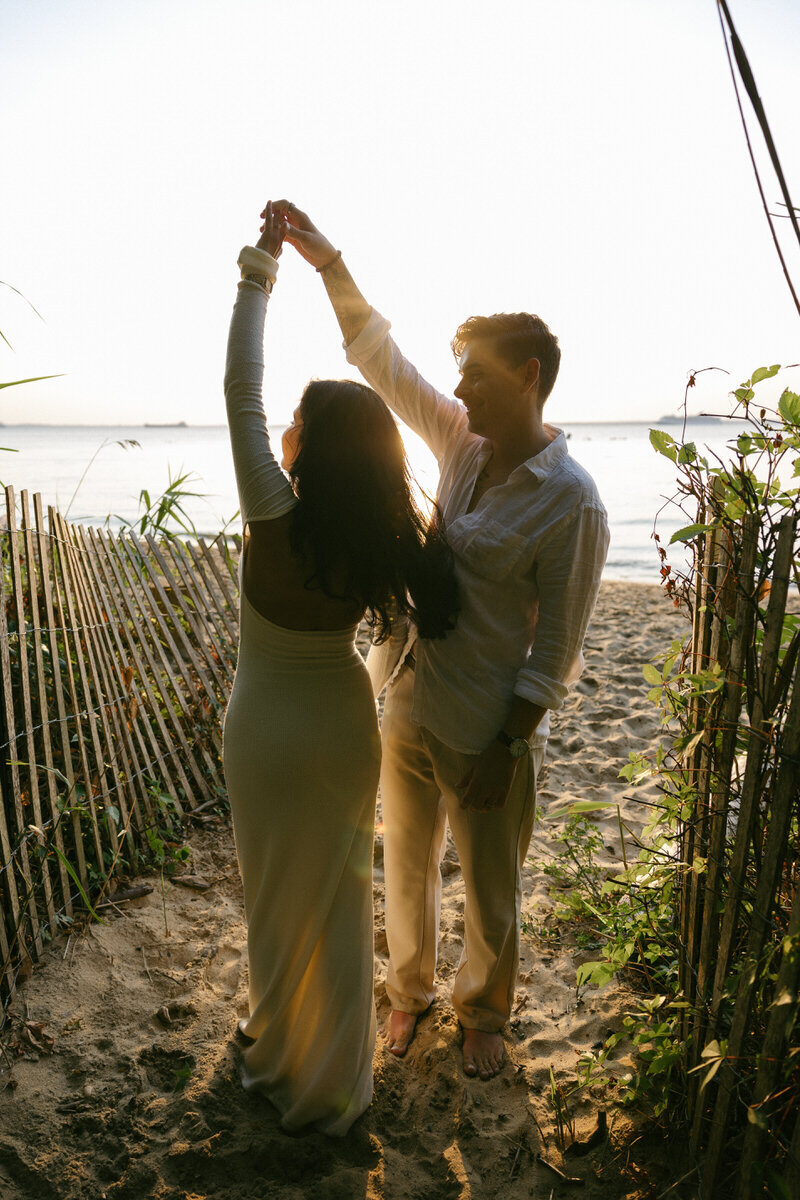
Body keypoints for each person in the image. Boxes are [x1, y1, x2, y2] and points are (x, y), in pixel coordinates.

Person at [278, 201, 610, 1082]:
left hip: (484, 726)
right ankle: (409, 994)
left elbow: (558, 647)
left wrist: (511, 741)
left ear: (528, 374)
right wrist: (328, 264)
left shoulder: (572, 501)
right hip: (406, 695)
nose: (456, 389)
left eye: (474, 375)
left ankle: (484, 1013)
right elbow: (383, 363)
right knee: (405, 862)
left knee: (492, 887)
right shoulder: (462, 446)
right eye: (458, 375)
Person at [222, 202, 458, 1136]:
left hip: (266, 734)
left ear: (313, 446)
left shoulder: (272, 516)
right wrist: (364, 682)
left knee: (273, 902)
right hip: (340, 728)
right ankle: (337, 1085)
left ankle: (278, 1048)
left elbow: (239, 386)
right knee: (336, 903)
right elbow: (396, 640)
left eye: (296, 421)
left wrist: (257, 275)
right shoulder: (375, 538)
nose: (280, 425)